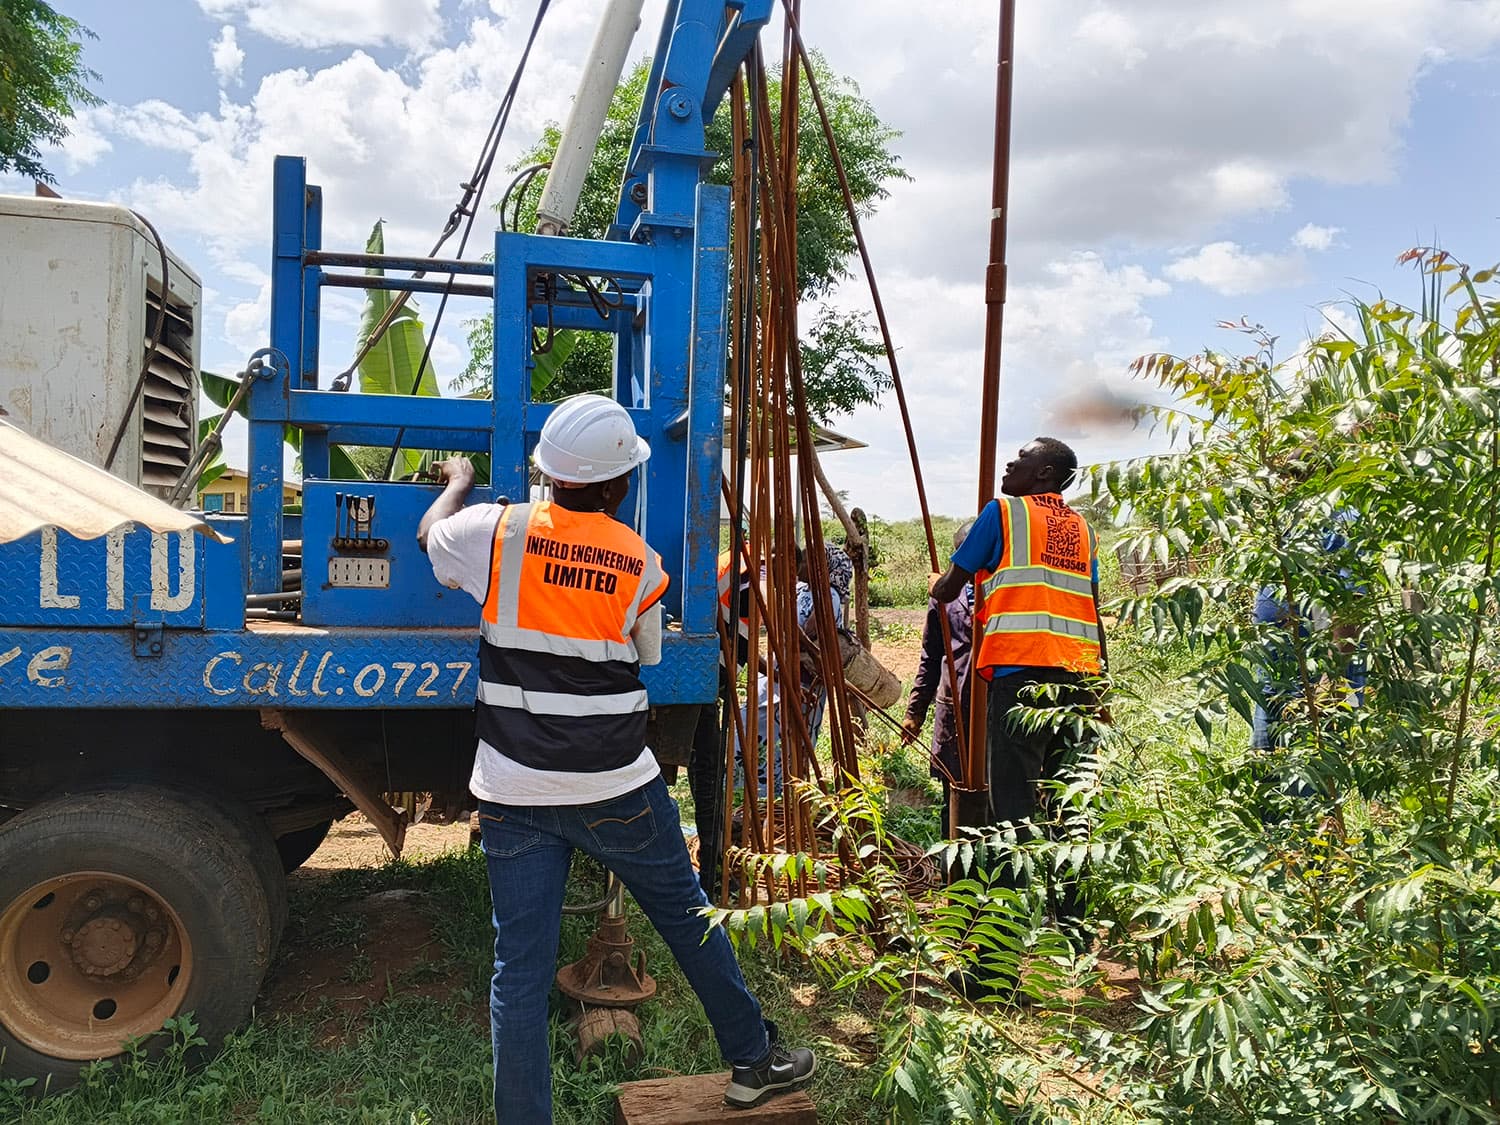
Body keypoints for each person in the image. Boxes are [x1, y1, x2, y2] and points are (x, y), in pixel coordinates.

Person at [418, 394, 815, 1121]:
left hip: (514, 789)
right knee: (690, 919)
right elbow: (648, 652)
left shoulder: (493, 530)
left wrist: (457, 480)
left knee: (520, 970)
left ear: (548, 473)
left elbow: (430, 538)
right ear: (618, 485)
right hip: (617, 789)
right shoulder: (640, 561)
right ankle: (755, 1060)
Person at [930, 437, 1106, 951]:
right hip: (1077, 678)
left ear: (1046, 474)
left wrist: (939, 585)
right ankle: (1074, 930)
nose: (1009, 463)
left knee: (1013, 808)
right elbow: (1090, 607)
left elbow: (950, 587)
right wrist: (1102, 686)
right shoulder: (1083, 530)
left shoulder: (1003, 512)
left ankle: (1000, 947)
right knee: (1069, 801)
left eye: (1021, 458)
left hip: (1020, 676)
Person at [902, 520, 976, 840]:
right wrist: (914, 713)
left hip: (994, 708)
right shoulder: (945, 597)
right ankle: (954, 872)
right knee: (954, 794)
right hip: (955, 707)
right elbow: (931, 657)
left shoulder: (1006, 594)